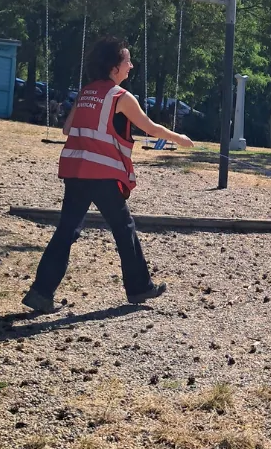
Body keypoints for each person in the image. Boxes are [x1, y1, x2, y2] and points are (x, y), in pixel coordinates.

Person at [22, 36, 194, 313]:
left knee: (66, 231)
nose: (131, 65)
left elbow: (67, 130)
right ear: (114, 66)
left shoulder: (86, 92)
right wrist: (179, 138)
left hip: (76, 170)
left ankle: (41, 292)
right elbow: (150, 128)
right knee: (124, 229)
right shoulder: (121, 97)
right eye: (127, 61)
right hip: (101, 173)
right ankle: (139, 288)